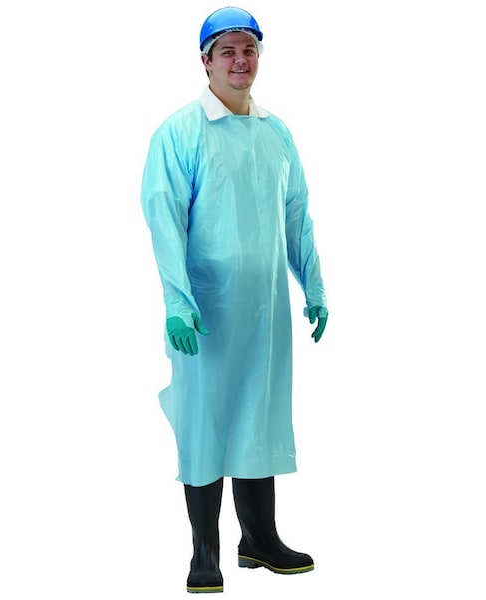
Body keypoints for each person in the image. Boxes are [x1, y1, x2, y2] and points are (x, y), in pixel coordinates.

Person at [140, 6, 328, 594]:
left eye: (249, 50)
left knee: (258, 418)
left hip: (265, 311)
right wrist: (178, 302)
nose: (240, 61)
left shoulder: (276, 134)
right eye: (228, 51)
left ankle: (260, 539)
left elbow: (296, 215)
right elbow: (164, 218)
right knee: (204, 424)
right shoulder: (181, 133)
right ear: (206, 61)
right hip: (206, 315)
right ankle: (204, 552)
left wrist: (314, 284)